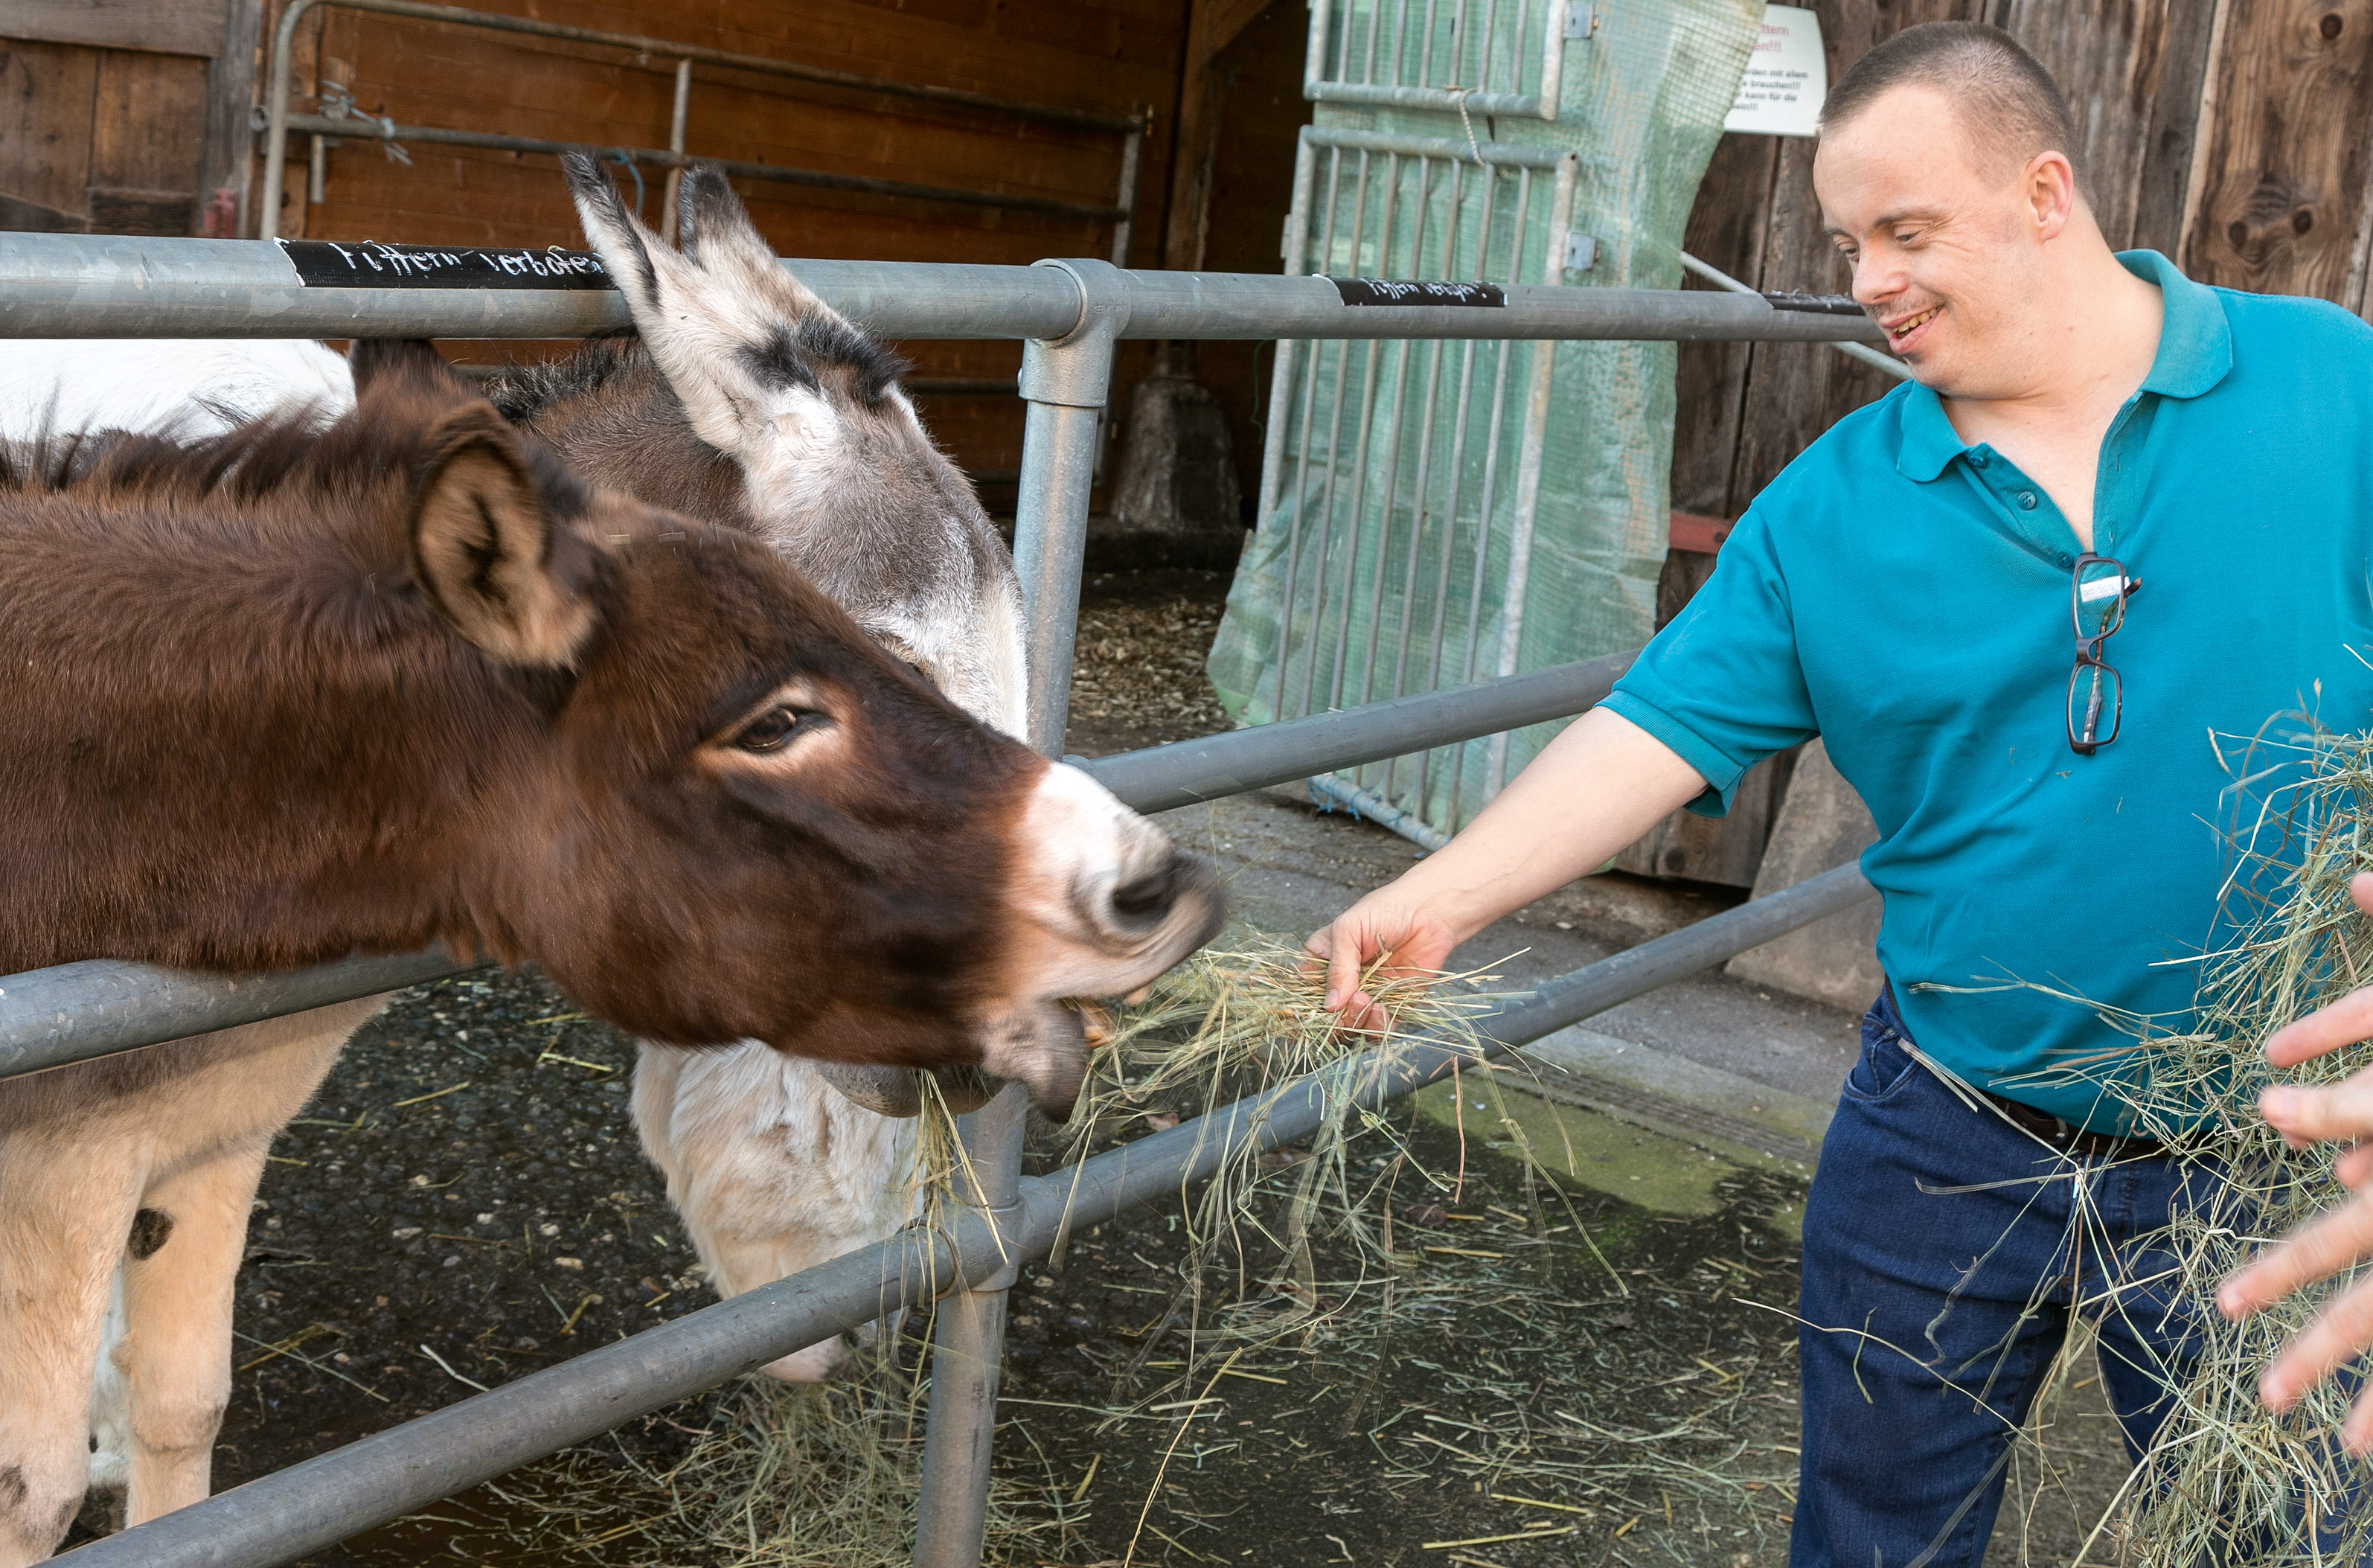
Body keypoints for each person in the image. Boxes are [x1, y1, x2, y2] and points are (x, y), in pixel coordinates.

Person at [1304, 21, 2373, 1568]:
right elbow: (1658, 726)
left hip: (2256, 1139)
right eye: (1845, 241)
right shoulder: (1837, 503)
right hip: (1942, 1122)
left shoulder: (2326, 392)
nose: (1866, 277)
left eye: (1904, 231)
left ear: (2042, 194)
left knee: (2294, 1534)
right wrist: (1439, 892)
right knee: (1872, 1532)